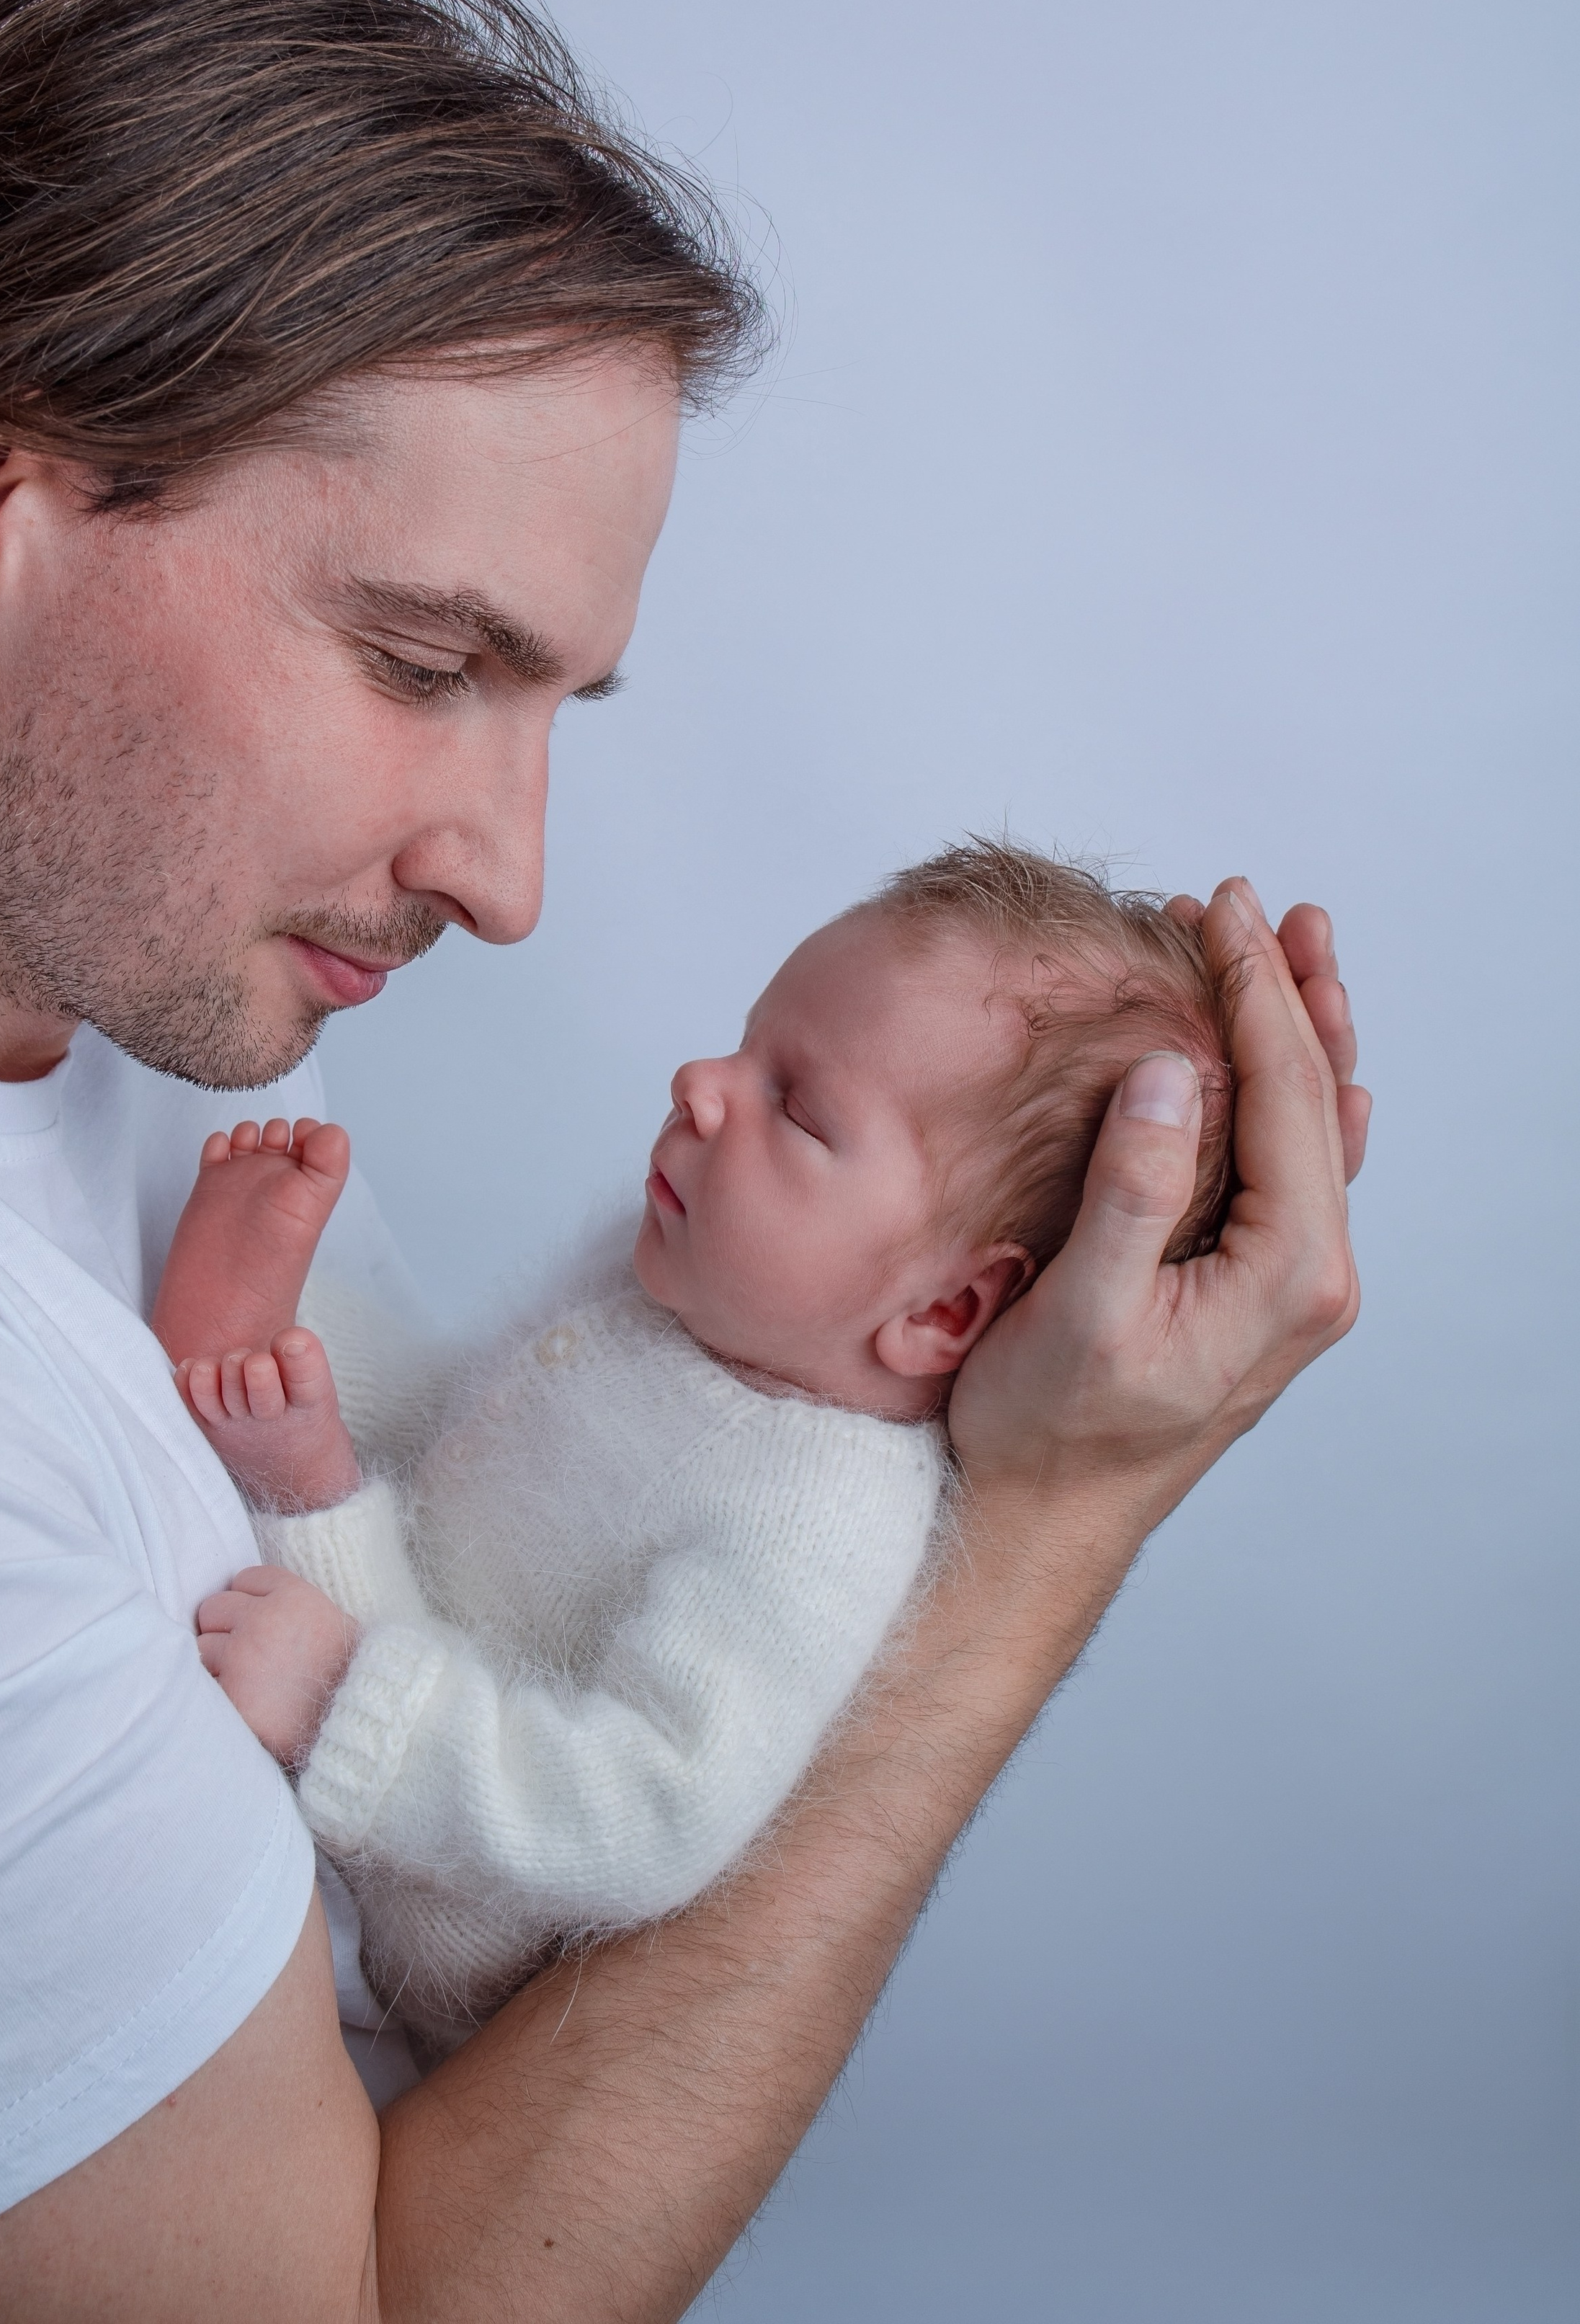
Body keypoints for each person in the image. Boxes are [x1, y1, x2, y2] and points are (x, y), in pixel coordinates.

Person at [0, 0, 1366, 2324]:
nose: (507, 886)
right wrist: (1050, 1529)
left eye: (556, 710)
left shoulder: (132, 1061)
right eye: (421, 662)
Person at [159, 842, 1238, 2062]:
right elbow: (463, 1435)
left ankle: (277, 1453)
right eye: (745, 1043)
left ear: (943, 1313)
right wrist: (316, 1344)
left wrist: (344, 1703)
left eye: (798, 1108)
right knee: (357, 1413)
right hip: (440, 1612)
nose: (701, 1084)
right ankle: (253, 1357)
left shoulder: (816, 1524)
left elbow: (645, 1814)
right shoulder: (694, 1276)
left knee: (318, 1492)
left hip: (462, 1902)